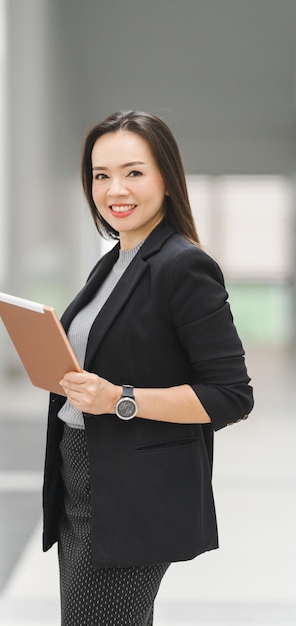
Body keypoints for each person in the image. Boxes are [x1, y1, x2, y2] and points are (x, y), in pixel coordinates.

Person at [42, 110, 254, 625]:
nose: (115, 189)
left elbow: (230, 395)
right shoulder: (115, 259)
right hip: (82, 475)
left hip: (133, 494)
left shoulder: (184, 266)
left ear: (166, 176)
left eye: (133, 172)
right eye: (101, 175)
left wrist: (119, 399)